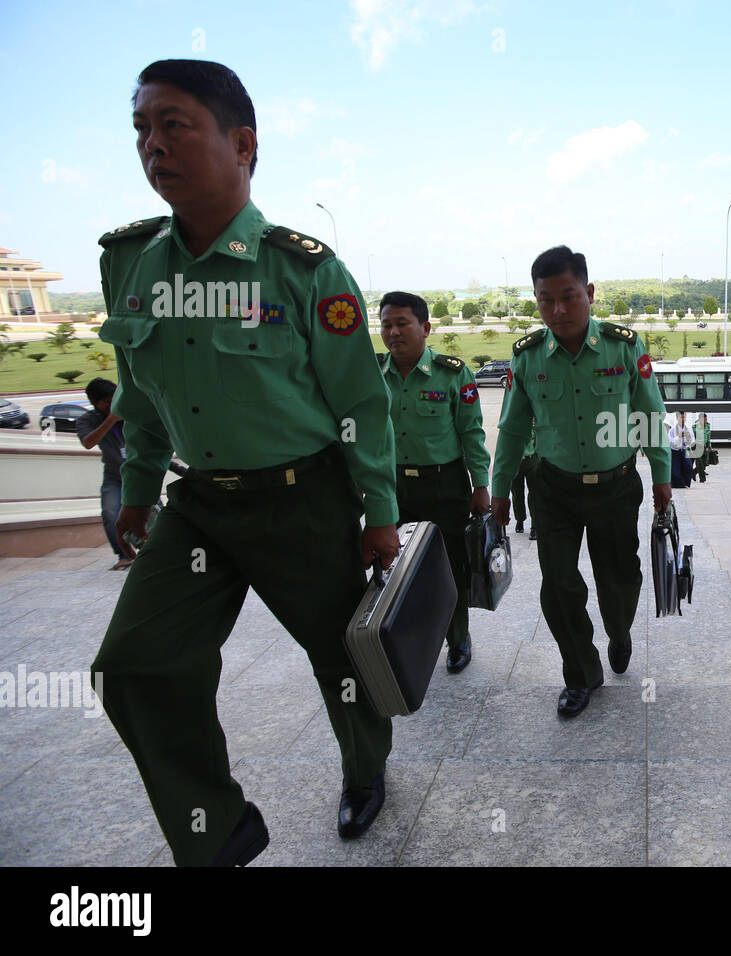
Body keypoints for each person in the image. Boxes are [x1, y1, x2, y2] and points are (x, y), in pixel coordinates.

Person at [89, 59, 400, 867]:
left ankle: (366, 772)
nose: (152, 145)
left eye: (174, 124)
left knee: (342, 663)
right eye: (141, 130)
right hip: (198, 504)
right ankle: (217, 831)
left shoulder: (302, 269)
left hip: (304, 499)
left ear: (243, 143)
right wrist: (138, 488)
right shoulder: (127, 264)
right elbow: (141, 389)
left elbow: (362, 405)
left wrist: (379, 513)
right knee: (131, 667)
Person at [489, 246, 671, 718]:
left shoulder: (624, 346)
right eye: (546, 300)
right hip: (553, 489)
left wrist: (662, 479)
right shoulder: (527, 357)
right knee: (559, 586)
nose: (558, 310)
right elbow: (511, 429)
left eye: (568, 297)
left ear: (589, 293)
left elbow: (651, 415)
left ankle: (619, 630)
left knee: (620, 580)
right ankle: (580, 672)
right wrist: (500, 489)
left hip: (616, 487)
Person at [379, 290, 491, 674]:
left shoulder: (453, 373)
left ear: (425, 328)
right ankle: (410, 641)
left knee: (451, 566)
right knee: (395, 568)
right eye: (386, 324)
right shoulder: (374, 375)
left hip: (444, 486)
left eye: (401, 323)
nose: (393, 332)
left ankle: (457, 637)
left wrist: (480, 485)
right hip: (393, 486)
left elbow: (471, 434)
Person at [76, 378, 131, 570]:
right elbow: (88, 442)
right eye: (107, 402)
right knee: (110, 513)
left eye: (114, 399)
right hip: (114, 476)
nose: (112, 404)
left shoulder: (130, 412)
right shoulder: (87, 420)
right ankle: (124, 555)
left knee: (154, 514)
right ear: (94, 403)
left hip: (138, 475)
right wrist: (111, 420)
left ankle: (157, 553)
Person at [510, 417, 539, 539]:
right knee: (517, 493)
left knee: (535, 494)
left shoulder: (535, 420)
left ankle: (535, 526)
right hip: (516, 461)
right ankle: (520, 520)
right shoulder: (512, 420)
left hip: (531, 460)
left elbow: (539, 440)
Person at [668, 410, 695, 488]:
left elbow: (693, 440)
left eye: (684, 417)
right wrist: (679, 437)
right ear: (677, 418)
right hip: (675, 451)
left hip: (684, 450)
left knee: (688, 467)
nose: (683, 419)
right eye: (681, 417)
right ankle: (678, 484)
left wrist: (687, 442)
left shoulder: (688, 428)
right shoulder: (672, 430)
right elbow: (670, 441)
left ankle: (686, 483)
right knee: (675, 471)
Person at [693, 412, 712, 482]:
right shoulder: (695, 427)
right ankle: (702, 479)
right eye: (704, 420)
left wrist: (709, 445)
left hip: (704, 446)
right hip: (696, 447)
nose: (705, 421)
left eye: (706, 419)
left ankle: (693, 473)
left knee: (704, 463)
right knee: (699, 464)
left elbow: (708, 436)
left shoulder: (707, 426)